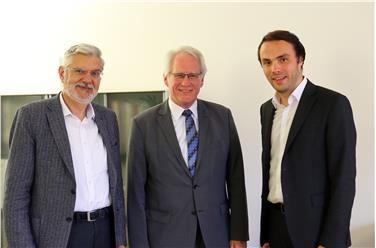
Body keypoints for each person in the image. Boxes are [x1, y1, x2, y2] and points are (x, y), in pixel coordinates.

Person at [3, 43, 126, 248]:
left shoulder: (108, 118)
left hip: (105, 231)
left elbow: (115, 182)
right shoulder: (31, 117)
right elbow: (16, 195)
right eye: (79, 71)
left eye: (95, 73)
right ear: (62, 73)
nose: (88, 79)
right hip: (58, 236)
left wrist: (120, 238)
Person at [127, 46, 249, 248]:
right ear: (166, 79)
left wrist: (239, 234)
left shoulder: (223, 117)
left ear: (202, 79)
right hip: (165, 237)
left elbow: (236, 181)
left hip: (216, 234)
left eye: (193, 75)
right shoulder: (143, 125)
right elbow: (135, 194)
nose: (186, 82)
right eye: (179, 75)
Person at [257, 30, 356, 248]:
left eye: (283, 59)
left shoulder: (332, 104)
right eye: (267, 62)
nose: (275, 69)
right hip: (276, 228)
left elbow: (344, 179)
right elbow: (271, 173)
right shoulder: (267, 110)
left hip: (316, 232)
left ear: (300, 60)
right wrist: (265, 235)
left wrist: (330, 242)